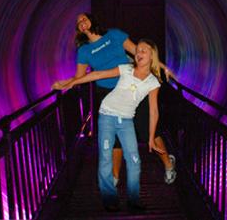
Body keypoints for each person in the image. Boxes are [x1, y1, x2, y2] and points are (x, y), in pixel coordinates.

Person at [52, 13, 177, 185]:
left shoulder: (114, 35)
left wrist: (162, 66)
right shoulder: (84, 50)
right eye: (78, 22)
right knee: (115, 138)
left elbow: (139, 52)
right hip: (108, 94)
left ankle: (169, 164)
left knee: (148, 129)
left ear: (91, 19)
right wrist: (66, 83)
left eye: (84, 18)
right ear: (78, 29)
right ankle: (115, 176)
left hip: (132, 87)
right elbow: (80, 76)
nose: (81, 22)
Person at [53, 39, 164, 211]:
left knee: (134, 160)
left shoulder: (153, 82)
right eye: (138, 50)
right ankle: (109, 199)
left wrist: (151, 138)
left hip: (126, 119)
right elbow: (97, 74)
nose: (139, 53)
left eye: (144, 50)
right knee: (105, 158)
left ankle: (133, 200)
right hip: (107, 115)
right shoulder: (126, 69)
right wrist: (71, 82)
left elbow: (154, 110)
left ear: (152, 56)